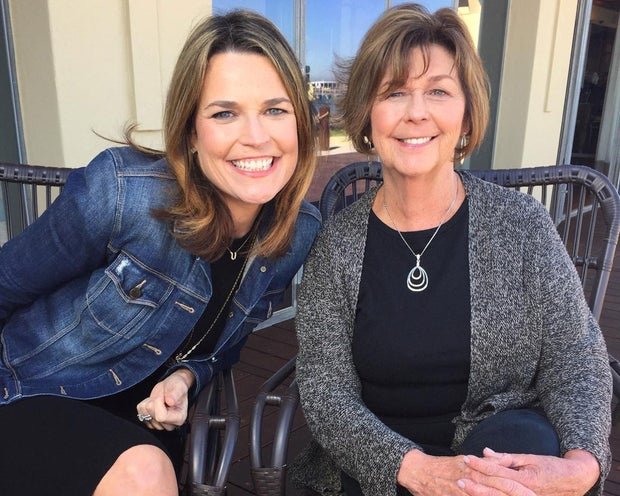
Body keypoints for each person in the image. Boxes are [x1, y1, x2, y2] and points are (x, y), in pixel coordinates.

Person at [294, 4, 611, 496]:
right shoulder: (335, 246)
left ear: (465, 116)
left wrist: (583, 464)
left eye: (438, 91)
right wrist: (415, 470)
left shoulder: (521, 226)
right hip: (378, 466)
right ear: (367, 117)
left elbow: (576, 356)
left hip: (497, 455)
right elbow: (324, 390)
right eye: (394, 92)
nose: (416, 112)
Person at [0, 9, 320, 496]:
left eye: (275, 110)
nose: (257, 136)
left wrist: (186, 378)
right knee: (144, 473)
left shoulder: (295, 234)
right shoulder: (122, 193)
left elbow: (227, 344)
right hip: (30, 392)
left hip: (145, 422)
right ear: (191, 132)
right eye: (224, 113)